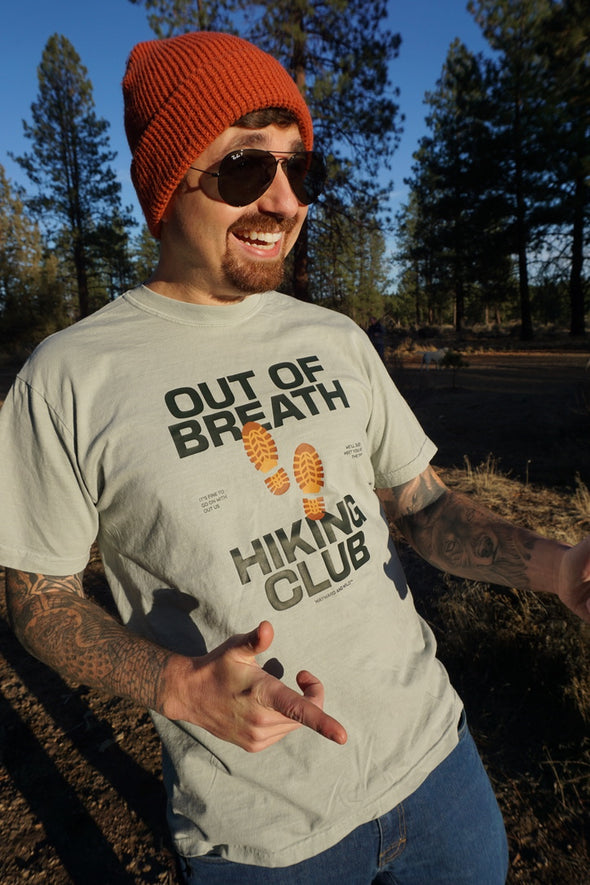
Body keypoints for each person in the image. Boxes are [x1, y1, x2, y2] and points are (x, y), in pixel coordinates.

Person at [0, 31, 588, 885]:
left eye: (300, 169)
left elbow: (419, 505)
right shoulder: (70, 377)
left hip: (438, 765)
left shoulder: (336, 338)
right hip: (261, 837)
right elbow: (33, 594)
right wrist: (177, 685)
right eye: (245, 168)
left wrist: (559, 566)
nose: (282, 200)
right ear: (167, 184)